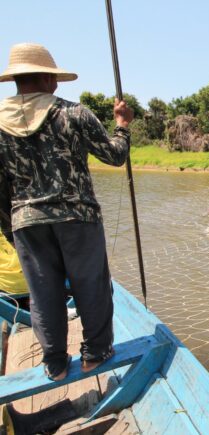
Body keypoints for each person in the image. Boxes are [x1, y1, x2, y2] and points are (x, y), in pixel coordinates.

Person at [0, 43, 134, 381]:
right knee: (92, 285)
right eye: (55, 78)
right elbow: (115, 155)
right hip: (78, 218)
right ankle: (95, 353)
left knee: (43, 294)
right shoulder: (75, 113)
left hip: (26, 221)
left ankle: (55, 363)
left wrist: (11, 229)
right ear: (47, 78)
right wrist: (122, 124)